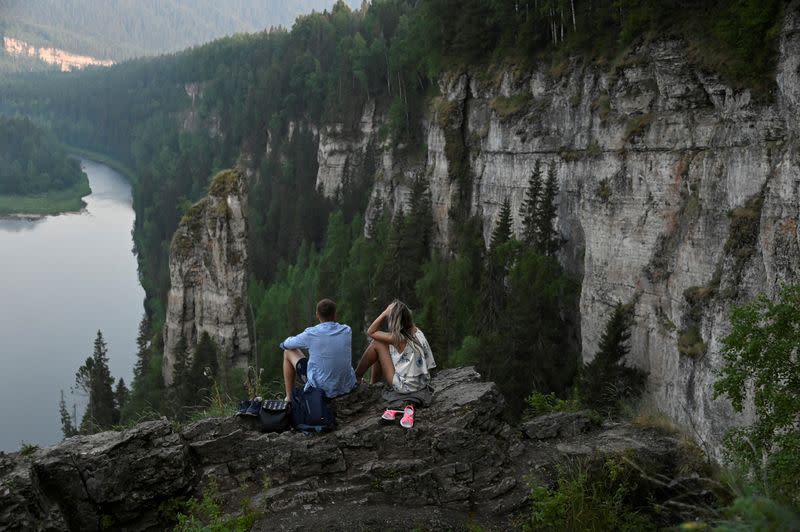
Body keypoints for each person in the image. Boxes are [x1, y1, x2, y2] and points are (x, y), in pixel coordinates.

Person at [354, 300, 436, 426]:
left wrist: (384, 313)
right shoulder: (417, 332)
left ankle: (357, 377)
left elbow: (371, 332)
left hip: (404, 386)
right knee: (381, 345)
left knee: (376, 343)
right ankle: (372, 383)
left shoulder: (397, 338)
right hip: (421, 383)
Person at [280, 298, 356, 401]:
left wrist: (283, 344)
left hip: (320, 390)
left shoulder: (311, 334)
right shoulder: (347, 330)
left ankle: (289, 398)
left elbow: (287, 345)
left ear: (317, 315)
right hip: (346, 386)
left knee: (288, 352)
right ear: (335, 314)